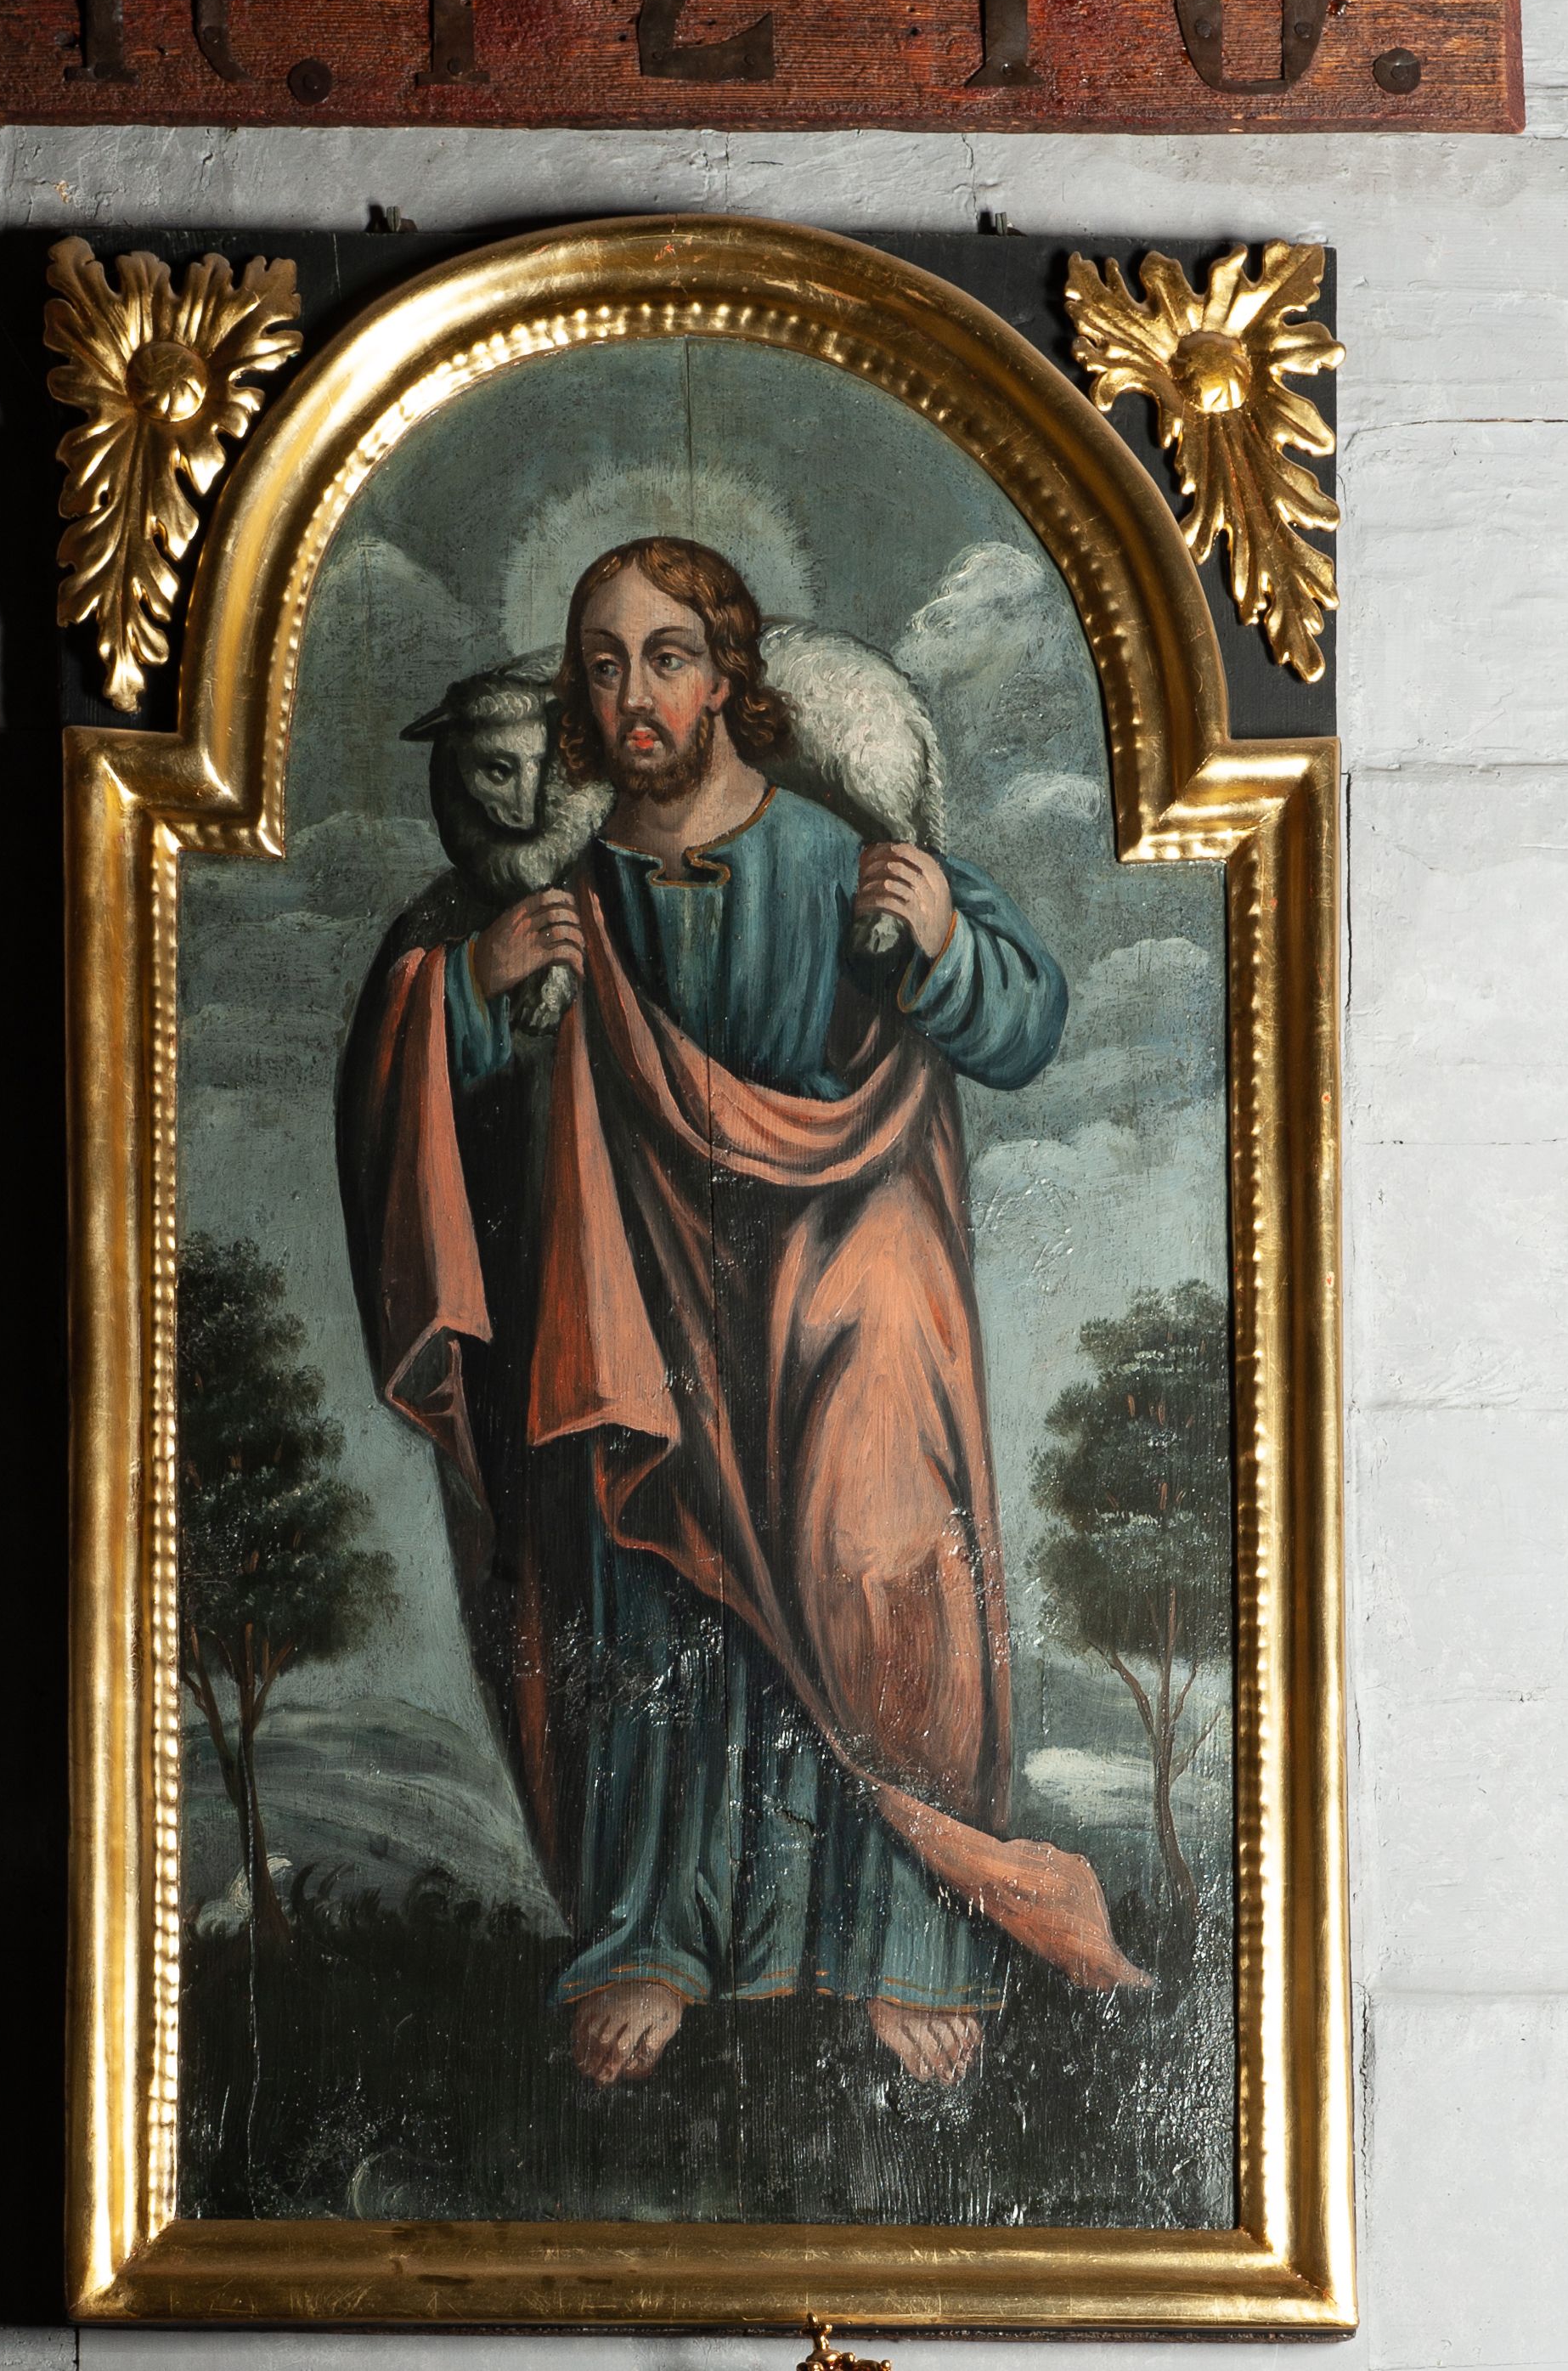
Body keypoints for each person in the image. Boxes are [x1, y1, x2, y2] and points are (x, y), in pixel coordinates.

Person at [340, 537, 1142, 2094]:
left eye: (666, 656)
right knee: (642, 1584)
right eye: (601, 664)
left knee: (877, 1571)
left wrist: (944, 938)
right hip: (633, 1295)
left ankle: (900, 1927)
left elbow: (1023, 1019)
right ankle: (652, 1930)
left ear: (727, 677)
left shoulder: (841, 857)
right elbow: (420, 1091)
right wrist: (474, 991)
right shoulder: (549, 891)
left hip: (843, 1287)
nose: (632, 693)